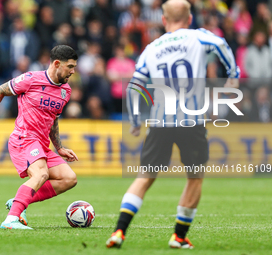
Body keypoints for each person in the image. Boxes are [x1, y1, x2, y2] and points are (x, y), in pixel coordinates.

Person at [106, 0, 240, 249]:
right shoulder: (199, 37)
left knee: (145, 177)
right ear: (189, 19)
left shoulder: (151, 48)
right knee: (195, 177)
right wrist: (233, 76)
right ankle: (179, 236)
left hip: (160, 119)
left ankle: (119, 231)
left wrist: (135, 120)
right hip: (191, 119)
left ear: (164, 20)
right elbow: (222, 44)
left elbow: (135, 85)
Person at [0, 45, 79, 230]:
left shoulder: (66, 91)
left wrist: (60, 147)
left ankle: (19, 201)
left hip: (42, 144)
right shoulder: (31, 79)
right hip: (23, 138)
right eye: (70, 66)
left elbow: (53, 119)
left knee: (69, 178)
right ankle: (11, 220)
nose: (73, 71)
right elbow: (0, 90)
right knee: (41, 174)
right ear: (57, 64)